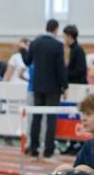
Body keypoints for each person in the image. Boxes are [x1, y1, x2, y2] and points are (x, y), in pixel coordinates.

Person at [21, 19, 69, 159]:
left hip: (37, 86)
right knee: (51, 118)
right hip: (53, 87)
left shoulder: (35, 43)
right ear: (56, 29)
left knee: (36, 117)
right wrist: (64, 86)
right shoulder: (57, 45)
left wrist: (23, 50)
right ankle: (48, 151)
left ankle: (34, 149)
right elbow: (60, 68)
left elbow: (27, 61)